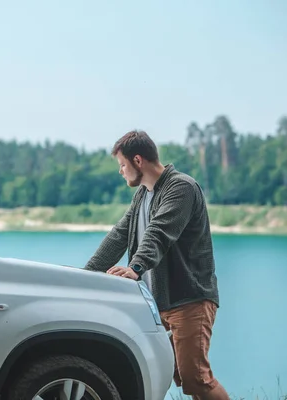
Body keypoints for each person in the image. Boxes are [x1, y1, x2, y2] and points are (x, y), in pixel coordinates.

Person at [84, 130, 229, 400]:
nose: (121, 172)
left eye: (122, 165)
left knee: (195, 379)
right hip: (156, 305)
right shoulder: (143, 194)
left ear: (138, 160)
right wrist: (85, 276)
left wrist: (135, 267)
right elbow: (119, 235)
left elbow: (159, 233)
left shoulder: (181, 188)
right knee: (161, 371)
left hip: (189, 300)